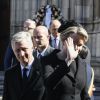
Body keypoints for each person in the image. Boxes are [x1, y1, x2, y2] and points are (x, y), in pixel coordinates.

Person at [41, 26, 90, 100]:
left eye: (80, 45)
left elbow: (84, 95)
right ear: (64, 41)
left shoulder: (82, 63)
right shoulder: (48, 60)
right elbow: (48, 84)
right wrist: (68, 60)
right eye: (73, 43)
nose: (76, 48)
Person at [2, 31, 44, 100]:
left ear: (32, 47)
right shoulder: (9, 74)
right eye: (17, 50)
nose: (21, 54)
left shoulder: (45, 69)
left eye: (24, 49)